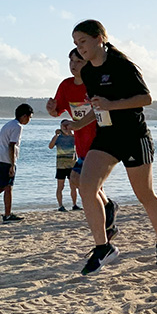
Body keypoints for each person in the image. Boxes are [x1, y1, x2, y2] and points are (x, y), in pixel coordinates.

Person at [64, 20, 157, 274]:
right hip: (107, 137)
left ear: (99, 38)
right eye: (75, 44)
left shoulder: (121, 65)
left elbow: (146, 98)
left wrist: (112, 105)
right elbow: (97, 106)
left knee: (144, 194)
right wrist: (78, 124)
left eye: (83, 42)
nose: (79, 49)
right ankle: (103, 247)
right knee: (85, 184)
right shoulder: (89, 73)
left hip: (134, 137)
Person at [47, 47, 119, 230]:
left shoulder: (95, 84)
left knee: (80, 179)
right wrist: (52, 110)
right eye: (71, 61)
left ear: (88, 62)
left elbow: (102, 110)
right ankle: (108, 208)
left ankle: (106, 212)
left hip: (101, 142)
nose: (74, 65)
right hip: (82, 144)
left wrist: (78, 123)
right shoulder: (66, 85)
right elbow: (58, 111)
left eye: (79, 61)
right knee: (82, 182)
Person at [49, 122, 78, 210]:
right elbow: (50, 146)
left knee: (73, 186)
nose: (65, 128)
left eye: (67, 126)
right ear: (60, 127)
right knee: (60, 186)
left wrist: (73, 134)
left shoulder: (73, 137)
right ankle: (60, 205)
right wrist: (56, 135)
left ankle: (74, 205)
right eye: (63, 126)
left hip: (72, 165)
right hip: (61, 166)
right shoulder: (58, 138)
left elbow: (81, 143)